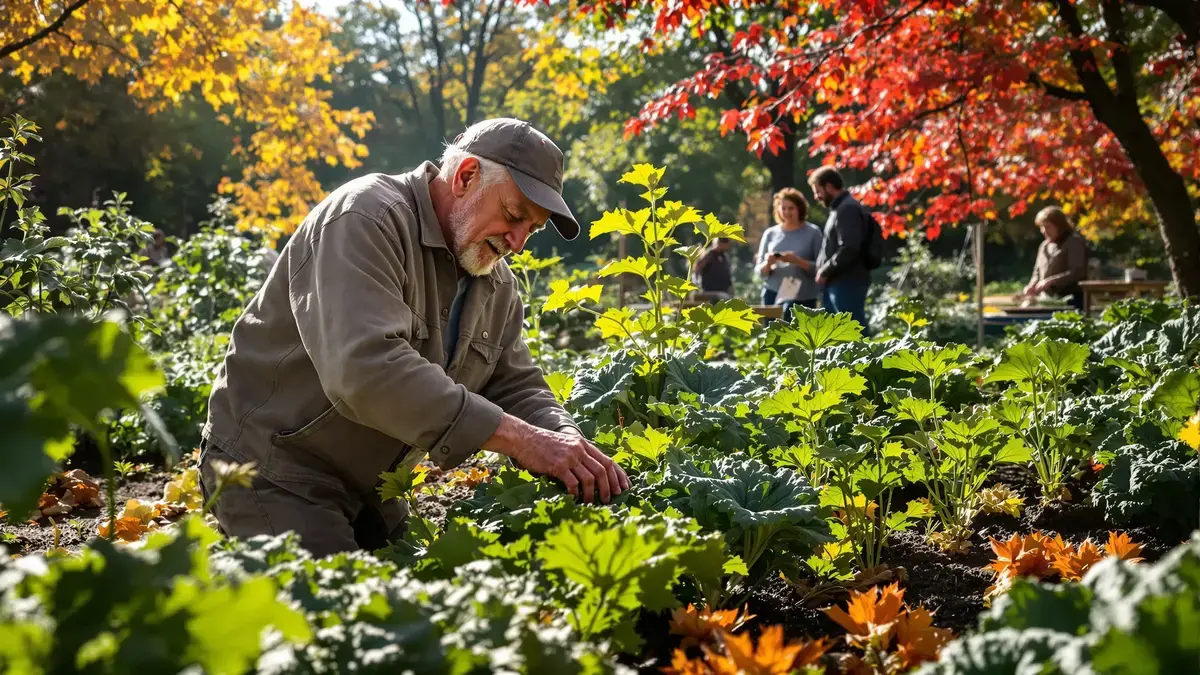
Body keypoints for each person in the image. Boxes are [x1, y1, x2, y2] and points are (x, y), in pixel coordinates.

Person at [199, 117, 630, 556]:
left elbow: (514, 382)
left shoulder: (494, 282)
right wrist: (522, 440)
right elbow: (365, 371)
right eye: (514, 216)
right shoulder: (366, 218)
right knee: (341, 615)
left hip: (371, 485)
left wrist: (566, 443)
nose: (517, 243)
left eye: (531, 230)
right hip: (274, 467)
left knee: (426, 602)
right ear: (465, 176)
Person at [809, 167, 872, 330]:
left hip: (847, 282)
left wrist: (825, 271)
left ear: (829, 187)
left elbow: (850, 246)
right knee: (838, 334)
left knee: (853, 331)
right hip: (838, 282)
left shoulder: (847, 208)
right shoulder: (839, 209)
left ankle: (867, 356)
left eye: (818, 191)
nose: (816, 197)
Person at [755, 188, 823, 321]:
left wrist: (797, 261)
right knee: (772, 338)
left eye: (791, 208)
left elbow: (821, 267)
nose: (787, 212)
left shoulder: (813, 233)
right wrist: (768, 263)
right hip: (773, 294)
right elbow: (759, 271)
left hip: (804, 298)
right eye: (783, 208)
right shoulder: (770, 234)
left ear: (800, 208)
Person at [1020, 205, 1088, 310]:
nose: (1043, 231)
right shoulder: (1044, 246)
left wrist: (1051, 281)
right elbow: (1037, 273)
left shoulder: (1074, 242)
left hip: (1071, 300)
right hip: (1046, 300)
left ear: (1059, 226)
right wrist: (1031, 286)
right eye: (1042, 227)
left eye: (1047, 227)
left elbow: (1077, 272)